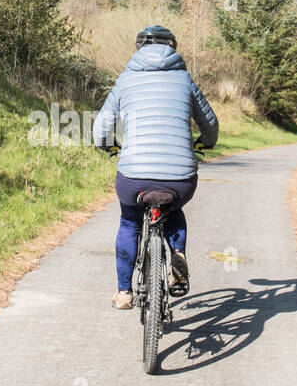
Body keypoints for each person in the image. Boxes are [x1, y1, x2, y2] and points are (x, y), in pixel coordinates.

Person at [92, 25, 219, 309]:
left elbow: (100, 129)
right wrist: (205, 143)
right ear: (172, 48)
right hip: (180, 178)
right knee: (174, 211)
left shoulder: (125, 81)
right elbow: (210, 125)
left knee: (129, 221)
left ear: (139, 49)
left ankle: (124, 292)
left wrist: (109, 146)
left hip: (134, 176)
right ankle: (177, 256)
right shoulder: (184, 79)